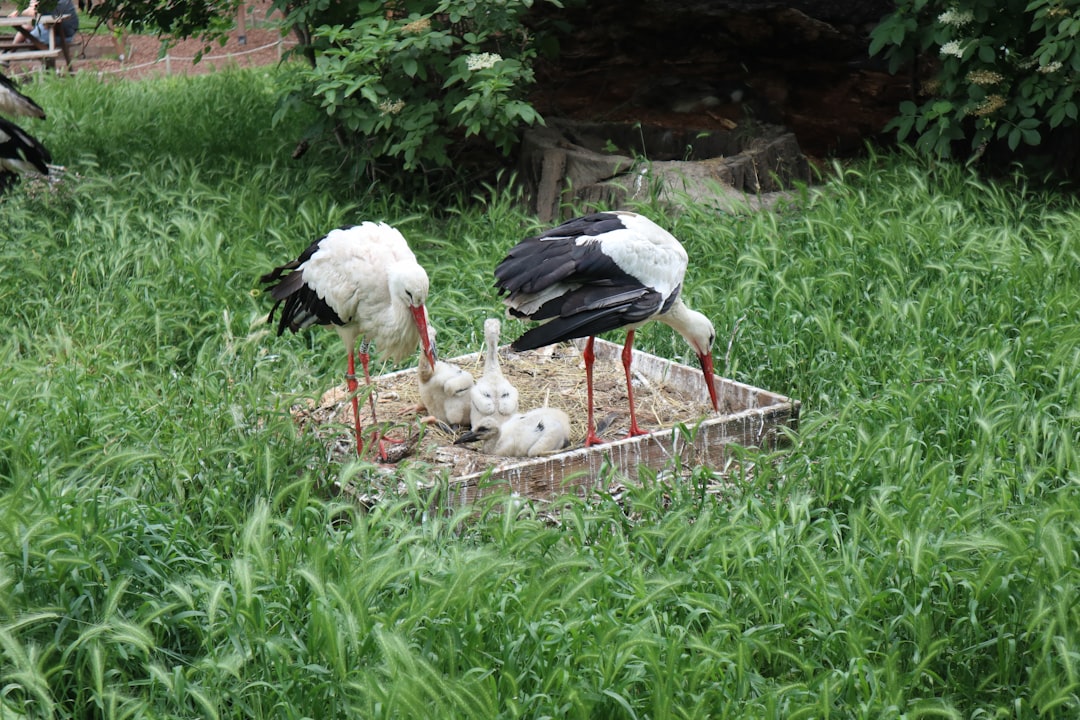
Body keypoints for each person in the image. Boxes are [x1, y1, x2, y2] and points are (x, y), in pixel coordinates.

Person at [9, 0, 79, 51]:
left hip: (60, 36)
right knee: (26, 28)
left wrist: (20, 12)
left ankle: (9, 53)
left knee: (29, 38)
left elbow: (32, 12)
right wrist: (20, 11)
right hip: (67, 34)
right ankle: (9, 53)